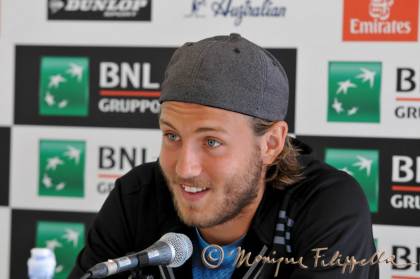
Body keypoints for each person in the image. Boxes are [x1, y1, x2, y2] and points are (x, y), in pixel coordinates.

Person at [69, 33, 379, 279]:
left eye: (212, 142)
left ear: (271, 143)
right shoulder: (138, 196)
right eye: (172, 136)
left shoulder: (327, 204)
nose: (184, 168)